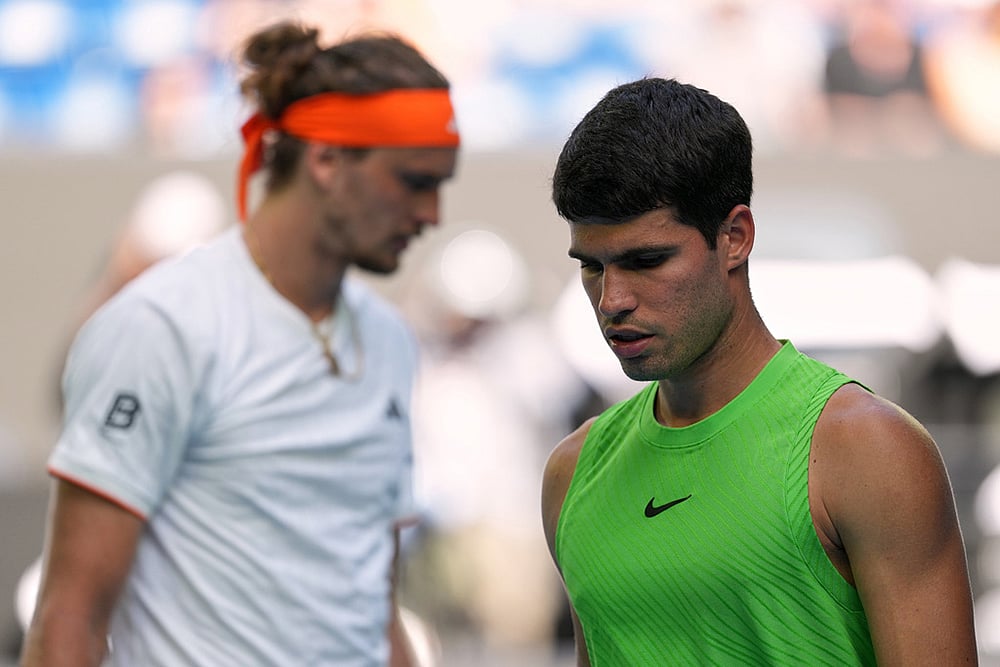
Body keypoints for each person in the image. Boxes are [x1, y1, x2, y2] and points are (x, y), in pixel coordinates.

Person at [21, 20, 459, 667]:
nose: (432, 215)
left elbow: (376, 607)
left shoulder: (390, 340)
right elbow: (70, 617)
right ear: (326, 160)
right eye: (414, 182)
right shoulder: (161, 327)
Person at [540, 77, 977, 665]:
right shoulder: (573, 472)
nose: (612, 298)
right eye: (592, 266)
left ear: (735, 238)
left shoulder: (867, 449)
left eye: (646, 261)